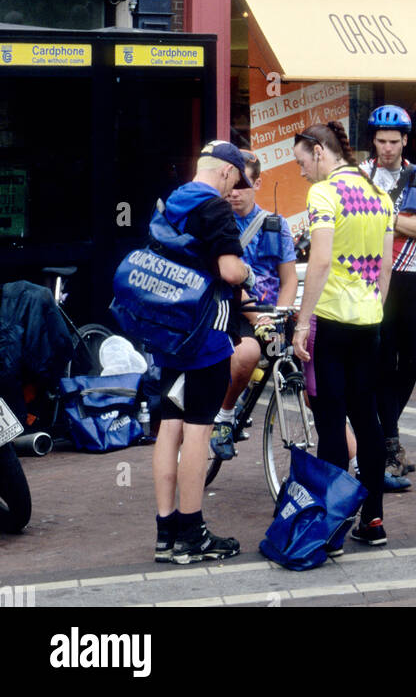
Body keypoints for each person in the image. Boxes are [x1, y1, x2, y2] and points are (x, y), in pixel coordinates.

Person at [151, 140, 257, 565]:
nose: (235, 190)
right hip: (205, 334)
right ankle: (193, 533)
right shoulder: (215, 209)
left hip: (167, 329)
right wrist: (246, 271)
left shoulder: (171, 202)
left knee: (168, 426)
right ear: (228, 173)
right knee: (198, 429)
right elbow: (230, 270)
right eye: (236, 180)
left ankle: (166, 531)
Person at [292, 121, 394, 547]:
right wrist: (375, 308)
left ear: (320, 151)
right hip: (369, 320)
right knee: (367, 422)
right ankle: (372, 520)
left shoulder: (324, 194)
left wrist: (302, 320)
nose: (301, 172)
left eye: (302, 161)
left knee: (331, 423)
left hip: (331, 321)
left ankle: (331, 526)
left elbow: (318, 261)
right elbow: (386, 268)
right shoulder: (380, 195)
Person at [362, 104, 416, 486]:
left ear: (406, 140)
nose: (388, 148)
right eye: (381, 141)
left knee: (411, 363)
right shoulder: (361, 175)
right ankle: (390, 444)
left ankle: (384, 435)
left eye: (394, 141)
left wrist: (387, 219)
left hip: (413, 276)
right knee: (381, 364)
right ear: (373, 140)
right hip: (376, 277)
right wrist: (412, 223)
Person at [209, 152, 298, 460]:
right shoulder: (219, 223)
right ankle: (225, 415)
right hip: (235, 310)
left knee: (311, 363)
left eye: (244, 185)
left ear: (258, 183)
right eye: (232, 184)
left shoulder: (276, 225)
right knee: (247, 353)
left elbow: (289, 280)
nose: (235, 192)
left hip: (273, 313)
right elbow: (231, 282)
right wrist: (260, 320)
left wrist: (282, 317)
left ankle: (351, 457)